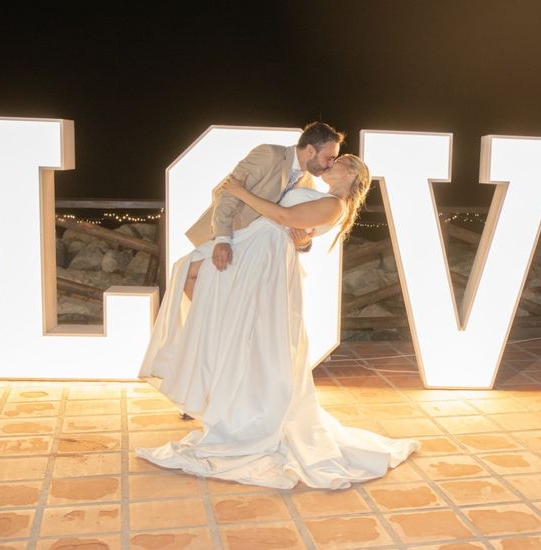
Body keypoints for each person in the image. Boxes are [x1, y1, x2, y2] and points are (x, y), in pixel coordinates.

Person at [137, 125, 419, 490]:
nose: (333, 162)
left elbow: (286, 219)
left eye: (341, 160)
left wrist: (242, 193)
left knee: (249, 327)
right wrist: (297, 240)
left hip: (265, 261)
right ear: (312, 149)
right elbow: (294, 228)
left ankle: (237, 393)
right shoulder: (306, 179)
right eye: (331, 156)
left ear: (352, 176)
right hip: (255, 247)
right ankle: (215, 368)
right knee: (191, 279)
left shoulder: (335, 203)